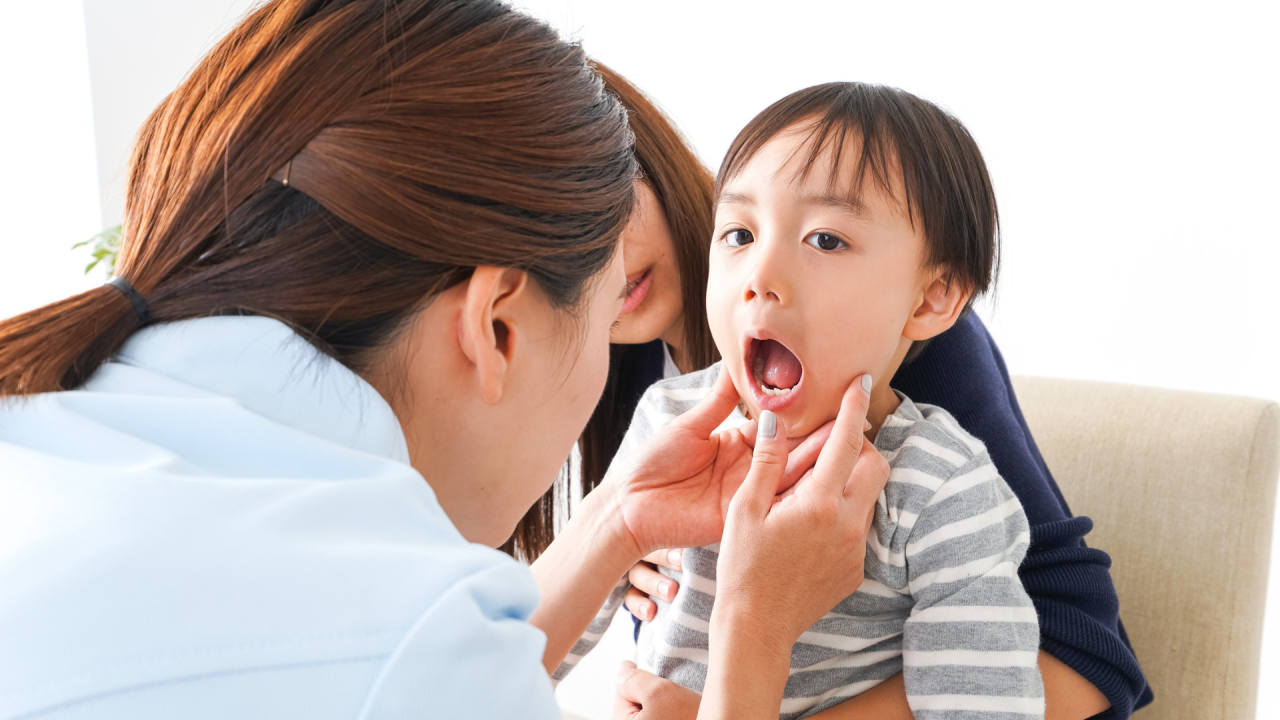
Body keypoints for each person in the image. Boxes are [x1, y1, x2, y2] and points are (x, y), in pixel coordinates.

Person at [0, 2, 891, 719]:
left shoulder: (46, 432)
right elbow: (421, 663)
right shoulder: (408, 630)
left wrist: (621, 517)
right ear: (498, 324)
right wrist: (754, 622)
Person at [550, 70, 1152, 719]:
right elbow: (510, 659)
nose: (762, 276)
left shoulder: (939, 485)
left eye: (826, 239)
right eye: (741, 236)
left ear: (932, 298)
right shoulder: (664, 415)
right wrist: (609, 540)